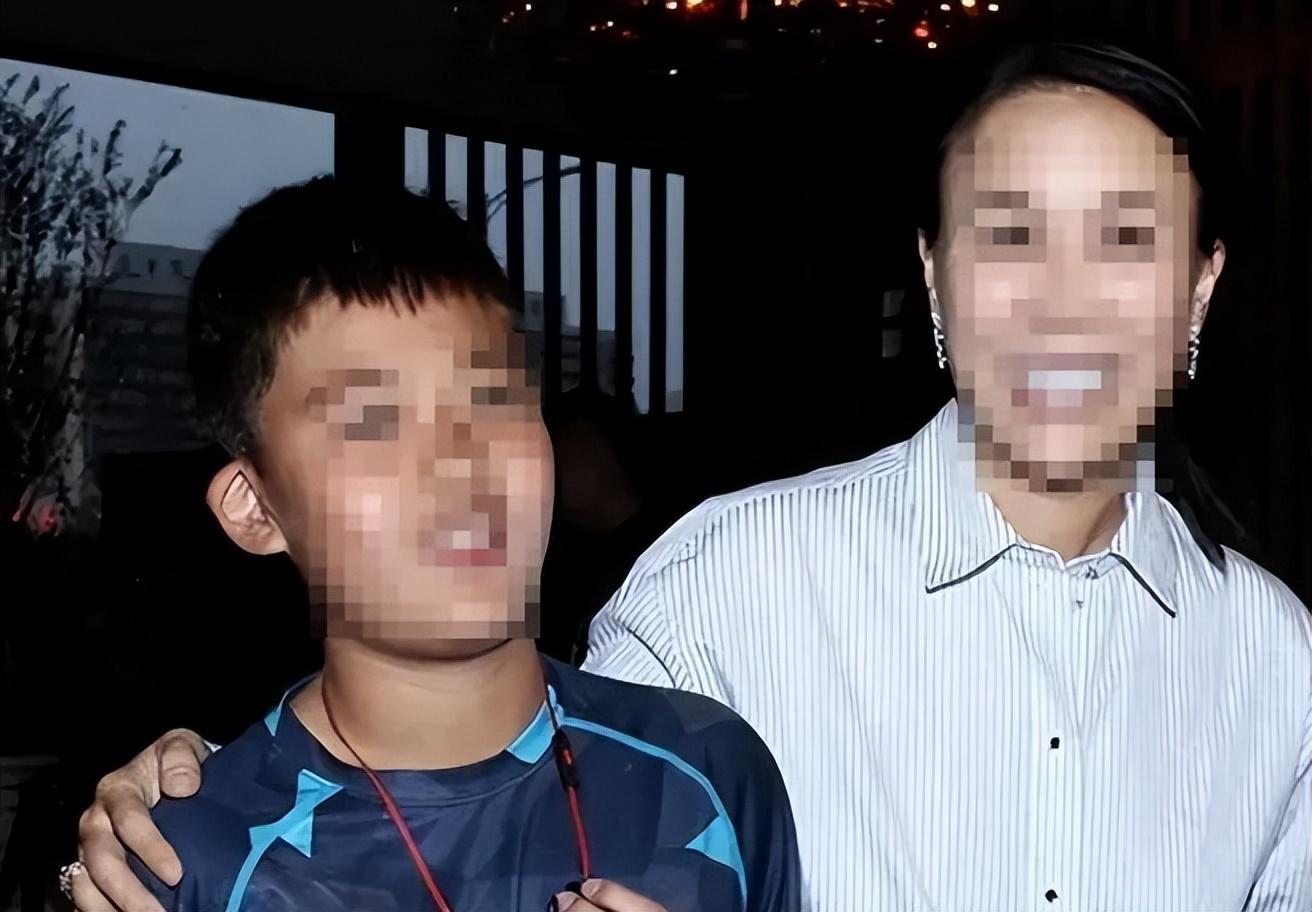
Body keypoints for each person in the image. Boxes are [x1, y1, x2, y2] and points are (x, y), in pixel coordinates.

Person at [73, 43, 1312, 911]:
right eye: (1011, 233)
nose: (1063, 298)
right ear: (935, 275)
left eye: (1126, 236)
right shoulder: (735, 577)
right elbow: (480, 754)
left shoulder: (1277, 656)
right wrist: (212, 795)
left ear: (1199, 286)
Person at [63, 177, 800, 912]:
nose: (460, 462)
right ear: (255, 508)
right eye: (371, 423)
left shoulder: (710, 767)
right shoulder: (183, 865)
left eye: (493, 399)